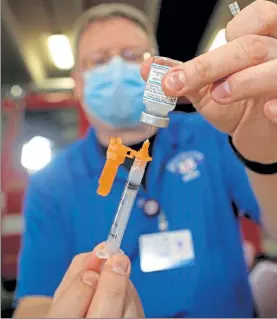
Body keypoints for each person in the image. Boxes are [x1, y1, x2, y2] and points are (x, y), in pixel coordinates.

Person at [14, 1, 277, 318]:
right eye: (98, 61)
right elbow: (33, 302)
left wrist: (265, 148)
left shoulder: (213, 133)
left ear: (156, 71)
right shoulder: (51, 182)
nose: (115, 70)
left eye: (131, 57)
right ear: (79, 84)